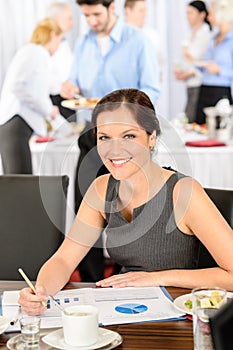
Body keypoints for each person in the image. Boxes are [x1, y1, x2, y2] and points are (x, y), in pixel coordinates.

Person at [18, 88, 233, 315]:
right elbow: (64, 260)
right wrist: (40, 291)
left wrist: (154, 278)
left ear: (151, 138)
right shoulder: (101, 189)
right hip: (123, 309)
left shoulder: (184, 193)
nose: (114, 149)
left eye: (129, 136)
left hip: (177, 316)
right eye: (104, 138)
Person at [61, 0, 160, 282]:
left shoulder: (137, 40)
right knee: (85, 208)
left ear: (111, 7)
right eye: (86, 15)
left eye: (96, 14)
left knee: (132, 208)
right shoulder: (83, 43)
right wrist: (69, 87)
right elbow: (75, 82)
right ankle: (93, 281)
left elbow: (152, 88)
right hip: (92, 135)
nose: (91, 20)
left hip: (129, 138)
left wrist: (124, 112)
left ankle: (125, 276)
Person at [0, 18, 62, 174]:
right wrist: (48, 110)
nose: (58, 47)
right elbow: (19, 87)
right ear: (53, 35)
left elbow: (40, 86)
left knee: (20, 180)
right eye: (59, 41)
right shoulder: (36, 52)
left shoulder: (32, 53)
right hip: (15, 125)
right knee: (19, 183)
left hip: (15, 126)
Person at [195, 0, 233, 124]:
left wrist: (219, 70)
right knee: (199, 127)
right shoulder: (213, 37)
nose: (208, 17)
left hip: (221, 91)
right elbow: (207, 62)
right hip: (204, 88)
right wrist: (198, 64)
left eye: (211, 14)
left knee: (218, 133)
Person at [175, 1, 212, 123]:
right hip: (190, 83)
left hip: (200, 83)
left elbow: (205, 60)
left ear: (202, 14)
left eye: (191, 13)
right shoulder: (190, 33)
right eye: (187, 13)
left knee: (193, 118)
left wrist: (189, 73)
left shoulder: (207, 34)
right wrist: (180, 71)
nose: (187, 16)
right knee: (189, 118)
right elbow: (186, 59)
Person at [47, 2, 75, 120]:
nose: (72, 23)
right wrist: (60, 87)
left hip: (68, 98)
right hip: (54, 101)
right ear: (56, 18)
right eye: (69, 18)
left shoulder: (63, 42)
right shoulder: (46, 43)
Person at [124, 0, 164, 81]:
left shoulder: (152, 35)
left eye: (145, 10)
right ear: (128, 11)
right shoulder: (117, 36)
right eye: (141, 11)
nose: (145, 14)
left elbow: (159, 63)